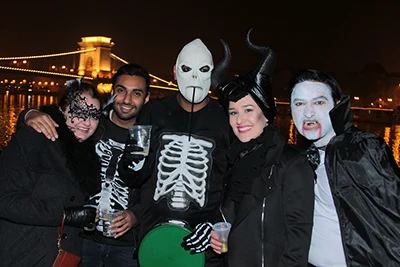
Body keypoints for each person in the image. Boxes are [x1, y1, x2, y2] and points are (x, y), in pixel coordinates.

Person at [17, 63, 151, 267]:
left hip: (126, 245)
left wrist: (136, 215)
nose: (126, 100)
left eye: (136, 93)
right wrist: (29, 114)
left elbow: (156, 188)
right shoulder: (91, 124)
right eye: (121, 91)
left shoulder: (149, 138)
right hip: (79, 239)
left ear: (146, 99)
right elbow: (56, 121)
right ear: (112, 93)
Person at [118, 38, 232, 266]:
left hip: (205, 240)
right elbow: (132, 174)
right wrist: (133, 161)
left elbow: (236, 180)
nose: (194, 78)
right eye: (186, 69)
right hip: (153, 237)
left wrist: (218, 226)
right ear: (174, 71)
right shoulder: (152, 112)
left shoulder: (226, 116)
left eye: (203, 70)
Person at [208, 29, 315, 267]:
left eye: (248, 110)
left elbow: (298, 243)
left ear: (266, 115)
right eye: (233, 112)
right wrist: (217, 242)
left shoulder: (292, 164)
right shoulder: (234, 159)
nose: (239, 120)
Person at [288, 69, 400, 267]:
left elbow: (392, 218)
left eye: (319, 102)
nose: (308, 112)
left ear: (337, 106)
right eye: (299, 103)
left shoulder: (361, 150)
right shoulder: (303, 157)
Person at [0, 79, 101, 266]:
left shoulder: (86, 154)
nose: (86, 122)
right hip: (24, 257)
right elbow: (5, 201)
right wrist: (65, 215)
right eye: (78, 111)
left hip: (62, 259)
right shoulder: (34, 139)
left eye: (94, 115)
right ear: (61, 110)